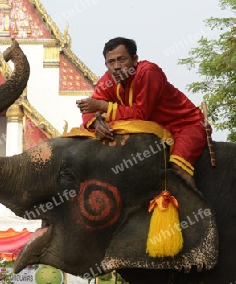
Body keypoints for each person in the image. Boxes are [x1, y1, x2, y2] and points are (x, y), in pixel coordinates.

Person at [76, 37, 207, 186]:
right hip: (155, 131)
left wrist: (102, 105)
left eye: (122, 60)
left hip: (186, 125)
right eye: (111, 62)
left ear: (135, 59)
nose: (116, 66)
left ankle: (195, 208)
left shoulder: (148, 72)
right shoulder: (107, 80)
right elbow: (90, 108)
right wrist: (97, 125)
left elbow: (140, 113)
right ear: (106, 64)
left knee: (177, 167)